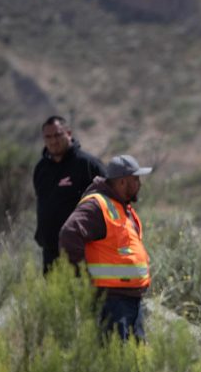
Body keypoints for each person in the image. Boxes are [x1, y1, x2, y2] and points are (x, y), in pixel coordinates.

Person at [59, 154, 154, 341]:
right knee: (115, 359)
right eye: (135, 179)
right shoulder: (97, 205)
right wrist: (83, 276)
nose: (139, 184)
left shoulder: (122, 208)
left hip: (132, 301)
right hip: (111, 302)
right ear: (122, 182)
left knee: (135, 362)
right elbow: (69, 234)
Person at [33, 115, 106, 274]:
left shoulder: (88, 165)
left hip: (81, 250)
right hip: (50, 252)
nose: (53, 141)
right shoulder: (41, 169)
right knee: (55, 297)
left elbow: (109, 202)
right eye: (48, 137)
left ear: (69, 133)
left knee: (84, 297)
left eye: (58, 135)